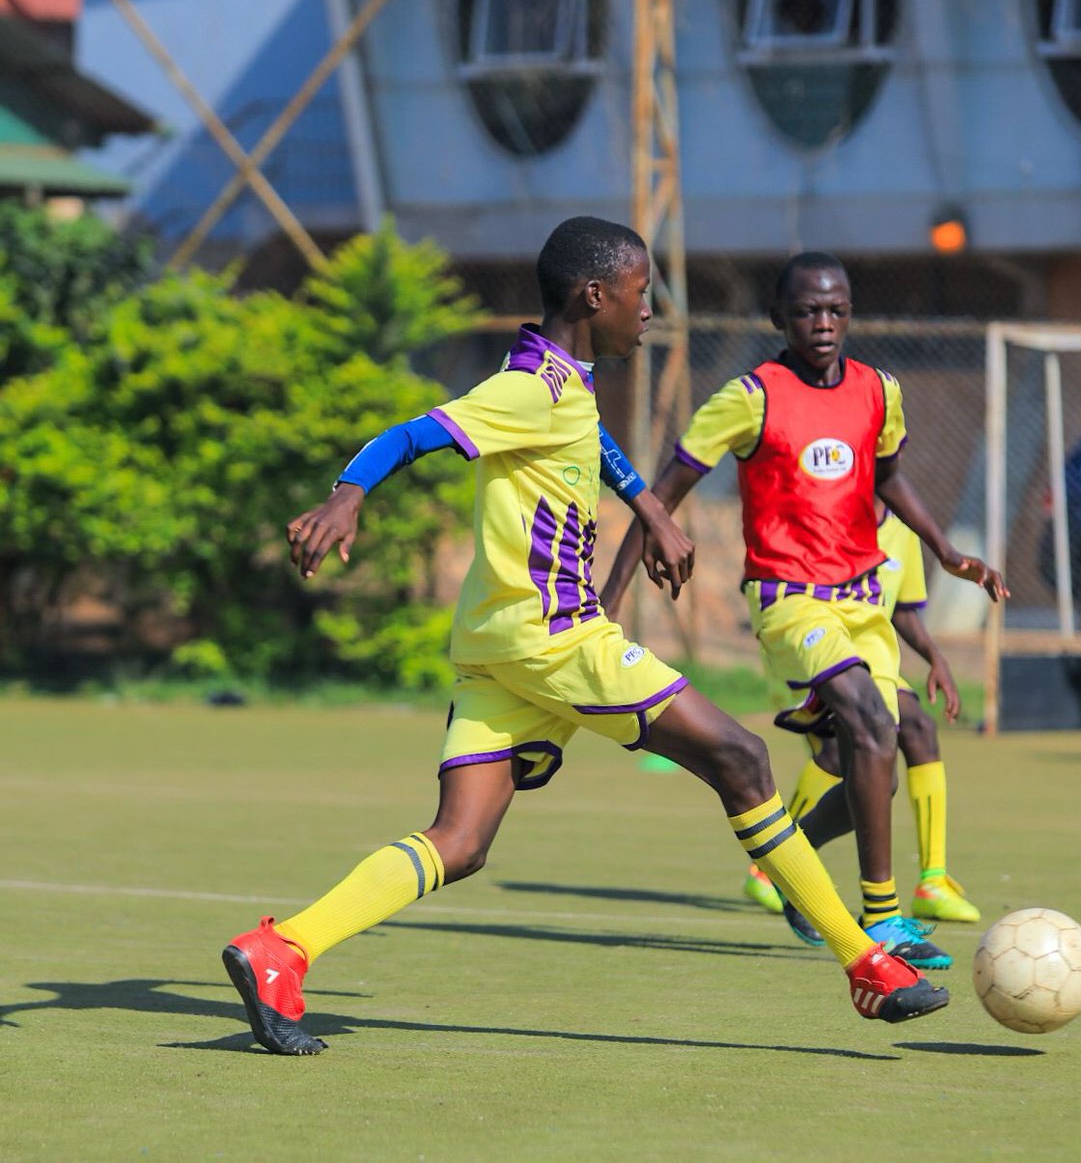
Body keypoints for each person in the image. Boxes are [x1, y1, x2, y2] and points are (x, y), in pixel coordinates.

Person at [221, 219, 947, 1056]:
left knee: (459, 841)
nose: (650, 311)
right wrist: (347, 494)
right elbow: (415, 432)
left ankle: (282, 950)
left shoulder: (562, 380)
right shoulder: (529, 388)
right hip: (557, 637)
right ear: (592, 295)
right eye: (641, 294)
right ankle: (866, 963)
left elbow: (590, 440)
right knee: (741, 759)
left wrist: (645, 505)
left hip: (496, 648)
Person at [602, 251, 1007, 973]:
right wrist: (608, 600)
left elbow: (889, 477)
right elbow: (658, 496)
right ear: (779, 319)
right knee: (870, 720)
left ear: (850, 314)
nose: (822, 324)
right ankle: (882, 919)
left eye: (835, 310)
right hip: (789, 602)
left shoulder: (880, 391)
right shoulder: (751, 396)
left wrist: (944, 551)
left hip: (863, 606)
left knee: (875, 763)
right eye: (806, 311)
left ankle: (795, 871)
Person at [766, 497, 981, 949]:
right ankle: (867, 908)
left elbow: (901, 607)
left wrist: (935, 658)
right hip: (816, 644)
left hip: (872, 653)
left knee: (896, 759)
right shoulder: (826, 502)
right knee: (838, 753)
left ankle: (928, 880)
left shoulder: (903, 520)